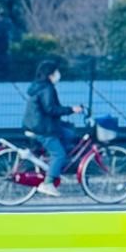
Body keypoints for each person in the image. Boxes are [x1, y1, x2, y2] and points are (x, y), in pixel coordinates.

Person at [23, 59, 85, 196]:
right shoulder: (47, 88)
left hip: (37, 124)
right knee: (59, 154)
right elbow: (51, 109)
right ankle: (48, 183)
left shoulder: (38, 86)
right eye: (57, 72)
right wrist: (72, 109)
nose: (59, 74)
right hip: (43, 128)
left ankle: (50, 162)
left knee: (69, 134)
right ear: (50, 74)